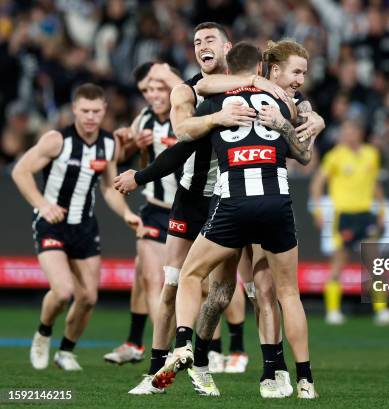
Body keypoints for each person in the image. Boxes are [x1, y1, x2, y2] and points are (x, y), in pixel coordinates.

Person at [152, 41, 318, 399]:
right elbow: (304, 153)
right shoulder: (280, 102)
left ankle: (188, 346)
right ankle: (303, 380)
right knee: (276, 291)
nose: (301, 80)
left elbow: (181, 135)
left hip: (230, 203)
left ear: (227, 58)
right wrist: (303, 119)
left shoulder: (210, 99)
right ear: (264, 68)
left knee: (197, 278)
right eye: (298, 73)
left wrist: (140, 176)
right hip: (276, 203)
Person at [12, 83, 142, 371]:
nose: (90, 117)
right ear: (74, 110)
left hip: (84, 226)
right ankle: (43, 334)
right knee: (62, 291)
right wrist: (42, 204)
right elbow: (21, 170)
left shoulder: (109, 144)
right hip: (51, 224)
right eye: (85, 111)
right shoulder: (56, 140)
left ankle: (66, 352)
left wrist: (126, 214)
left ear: (104, 110)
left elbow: (109, 188)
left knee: (88, 297)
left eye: (96, 111)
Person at [105, 63, 180, 365]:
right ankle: (161, 351)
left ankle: (142, 344)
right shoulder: (145, 118)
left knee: (183, 284)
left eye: (158, 88)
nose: (152, 95)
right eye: (147, 91)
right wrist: (129, 143)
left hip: (188, 212)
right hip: (154, 210)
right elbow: (120, 156)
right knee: (150, 278)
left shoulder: (186, 112)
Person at [310, 119, 389, 326]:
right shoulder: (335, 156)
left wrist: (382, 208)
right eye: (345, 131)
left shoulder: (371, 154)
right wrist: (318, 211)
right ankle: (333, 311)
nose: (348, 135)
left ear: (360, 133)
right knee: (339, 261)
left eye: (352, 130)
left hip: (365, 214)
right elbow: (317, 184)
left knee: (374, 263)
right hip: (344, 216)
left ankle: (381, 310)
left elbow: (375, 183)